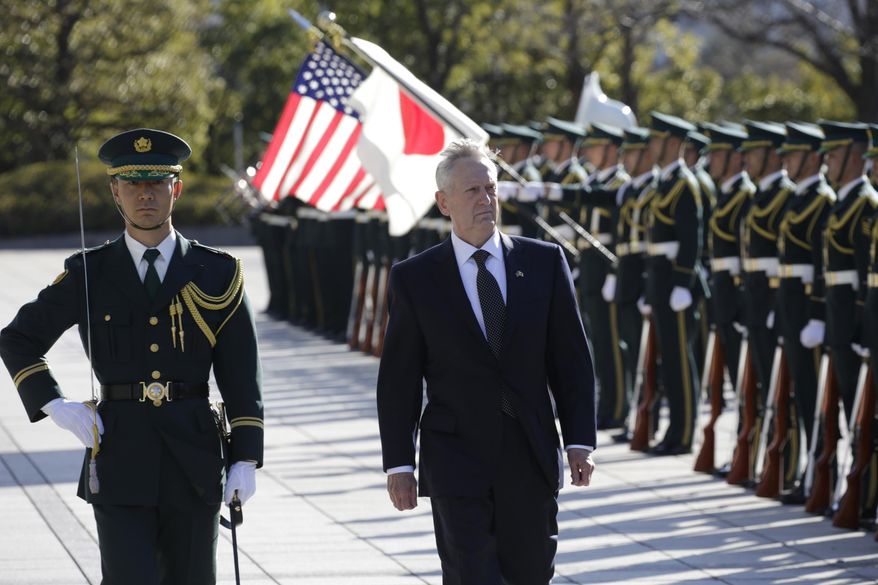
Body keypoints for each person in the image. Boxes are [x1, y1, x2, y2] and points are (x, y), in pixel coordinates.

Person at [0, 128, 264, 584]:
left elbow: (241, 375)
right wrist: (55, 405)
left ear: (175, 189)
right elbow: (18, 339)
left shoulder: (218, 273)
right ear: (114, 192)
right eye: (134, 185)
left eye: (157, 184)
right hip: (120, 457)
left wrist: (246, 457)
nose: (146, 195)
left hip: (194, 459)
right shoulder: (91, 272)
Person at [376, 138, 596, 584]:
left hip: (528, 453)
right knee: (471, 574)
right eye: (473, 191)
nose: (486, 200)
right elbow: (398, 380)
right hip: (456, 456)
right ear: (443, 202)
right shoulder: (416, 279)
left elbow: (571, 361)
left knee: (532, 573)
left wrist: (580, 440)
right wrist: (400, 464)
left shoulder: (543, 262)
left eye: (491, 189)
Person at [643, 112, 703, 456]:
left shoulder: (684, 184)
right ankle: (674, 428)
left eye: (657, 140)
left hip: (676, 282)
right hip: (661, 278)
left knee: (681, 360)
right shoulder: (663, 181)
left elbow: (691, 238)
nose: (652, 146)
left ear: (673, 143)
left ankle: (684, 433)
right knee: (669, 360)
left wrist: (684, 281)